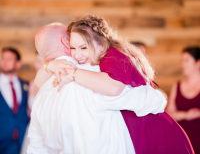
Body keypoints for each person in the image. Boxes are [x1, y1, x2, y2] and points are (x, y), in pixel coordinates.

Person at [47, 15, 194, 153]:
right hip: (142, 135)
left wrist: (72, 74)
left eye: (83, 48)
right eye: (73, 48)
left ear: (102, 46)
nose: (76, 55)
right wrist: (49, 65)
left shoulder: (114, 55)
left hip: (157, 137)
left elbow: (113, 87)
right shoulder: (102, 58)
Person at [28, 23, 167, 154]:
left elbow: (36, 149)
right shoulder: (93, 75)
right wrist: (159, 96)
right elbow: (149, 101)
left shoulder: (40, 98)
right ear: (65, 41)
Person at [166, 46, 200, 154]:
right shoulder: (177, 85)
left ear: (198, 63)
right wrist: (186, 115)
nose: (183, 64)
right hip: (183, 142)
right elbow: (169, 113)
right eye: (182, 61)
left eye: (187, 60)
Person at [0, 47, 29, 154]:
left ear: (18, 64)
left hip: (23, 141)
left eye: (9, 59)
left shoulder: (26, 85)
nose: (5, 62)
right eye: (3, 58)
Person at [20, 52, 44, 154]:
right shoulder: (31, 84)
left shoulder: (54, 84)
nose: (35, 65)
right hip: (32, 130)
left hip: (47, 131)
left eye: (38, 61)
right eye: (35, 61)